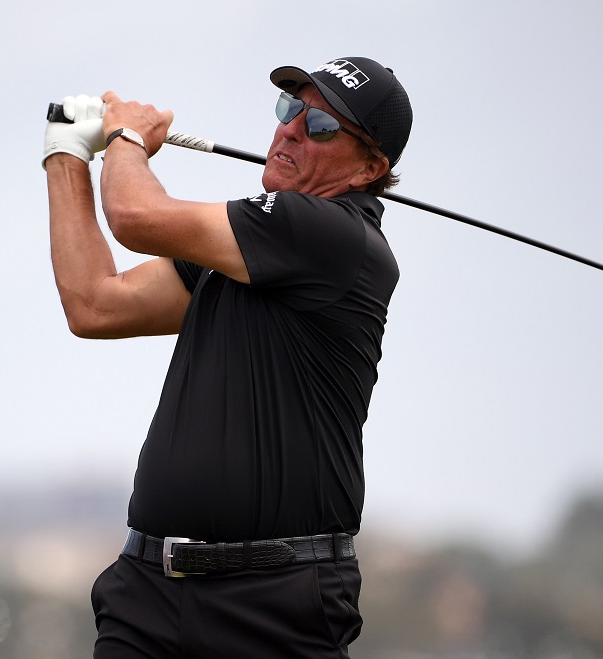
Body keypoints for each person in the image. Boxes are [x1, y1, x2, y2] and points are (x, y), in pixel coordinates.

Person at [43, 56, 413, 658]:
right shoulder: (244, 248)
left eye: (321, 128)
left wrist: (127, 138)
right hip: (148, 594)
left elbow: (136, 217)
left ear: (371, 167)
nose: (291, 130)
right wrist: (65, 152)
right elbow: (95, 305)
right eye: (290, 109)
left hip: (275, 606)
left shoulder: (334, 237)